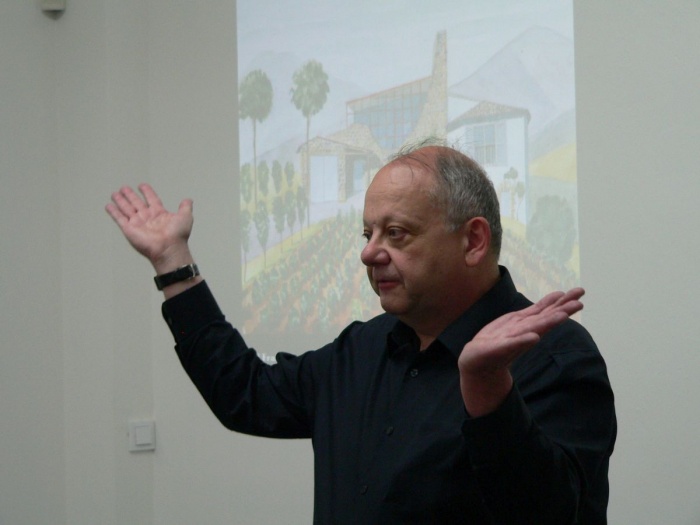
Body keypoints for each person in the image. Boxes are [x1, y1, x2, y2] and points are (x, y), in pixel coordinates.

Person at [106, 142, 616, 524]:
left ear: (473, 240)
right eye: (367, 233)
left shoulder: (554, 356)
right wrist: (173, 264)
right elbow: (245, 393)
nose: (369, 252)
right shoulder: (362, 349)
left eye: (395, 233)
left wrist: (489, 395)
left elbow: (555, 515)